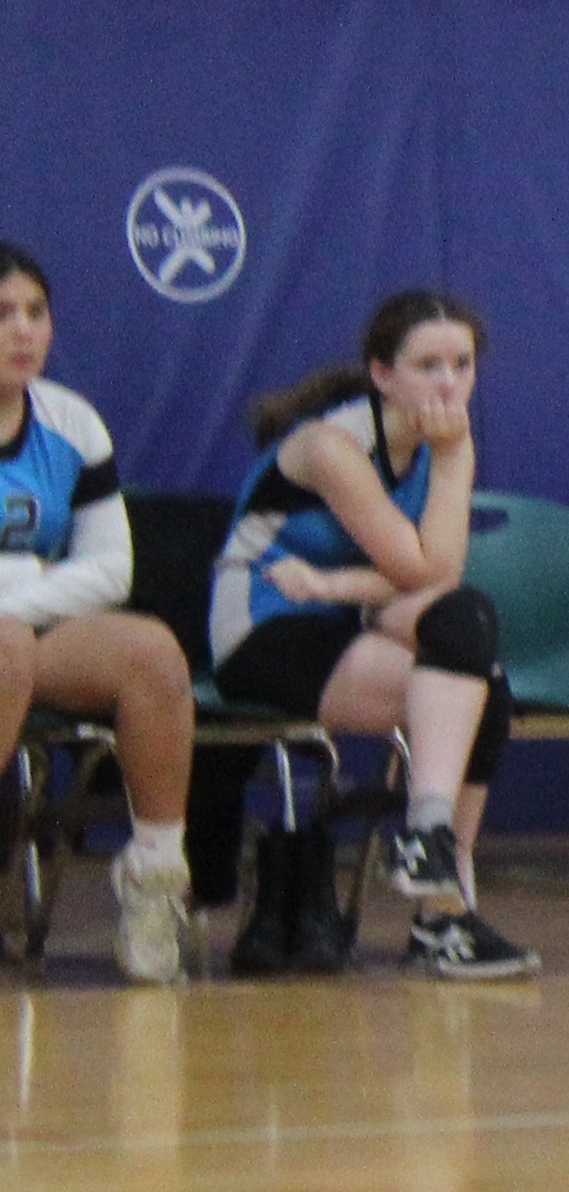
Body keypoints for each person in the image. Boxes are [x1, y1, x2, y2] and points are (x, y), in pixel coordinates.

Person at [212, 291, 531, 979]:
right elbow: (421, 565)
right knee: (472, 689)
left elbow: (437, 585)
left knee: (471, 640)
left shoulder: (450, 441)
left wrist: (332, 587)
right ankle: (440, 886)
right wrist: (449, 466)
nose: (449, 382)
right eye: (428, 365)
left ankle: (435, 881)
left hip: (348, 607)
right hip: (264, 624)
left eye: (462, 364)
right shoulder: (330, 445)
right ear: (383, 373)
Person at [0, 243, 204, 981]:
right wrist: (30, 576)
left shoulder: (71, 423)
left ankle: (153, 879)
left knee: (151, 653)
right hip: (15, 635)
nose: (23, 331)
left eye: (35, 313)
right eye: (2, 314)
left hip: (30, 625)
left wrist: (16, 596)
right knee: (7, 651)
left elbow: (111, 568)